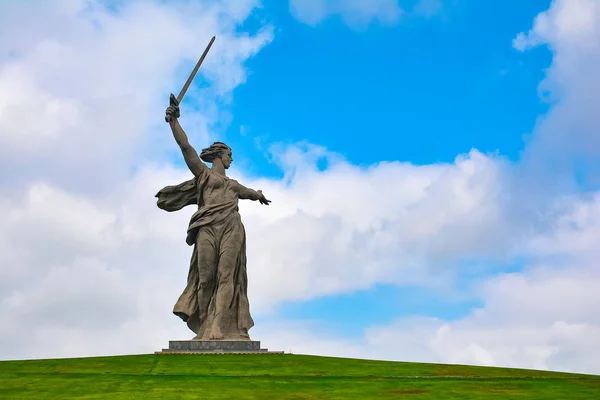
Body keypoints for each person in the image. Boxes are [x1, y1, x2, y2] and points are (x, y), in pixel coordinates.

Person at [156, 94, 271, 340]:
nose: (232, 158)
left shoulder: (234, 185)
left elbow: (250, 193)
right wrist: (174, 122)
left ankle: (219, 327)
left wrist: (259, 194)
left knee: (227, 276)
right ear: (219, 155)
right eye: (229, 154)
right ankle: (205, 326)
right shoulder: (204, 176)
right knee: (206, 278)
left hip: (231, 227)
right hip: (207, 228)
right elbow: (186, 147)